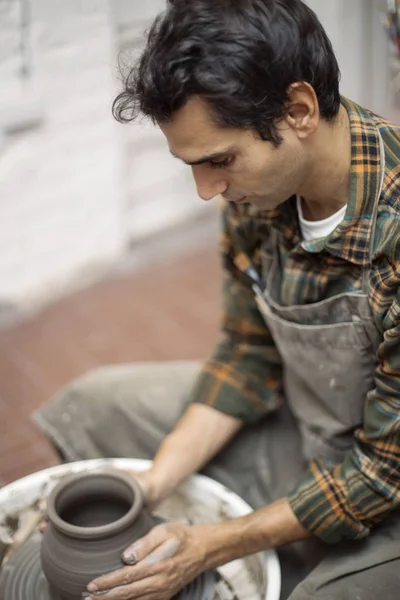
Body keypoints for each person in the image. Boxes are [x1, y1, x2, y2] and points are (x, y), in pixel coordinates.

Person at [34, 1, 400, 599]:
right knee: (89, 406)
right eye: (192, 166)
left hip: (386, 487)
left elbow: (382, 475)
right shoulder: (257, 197)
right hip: (304, 426)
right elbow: (247, 357)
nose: (208, 191)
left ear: (299, 110)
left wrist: (215, 543)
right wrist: (154, 484)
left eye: (219, 161)